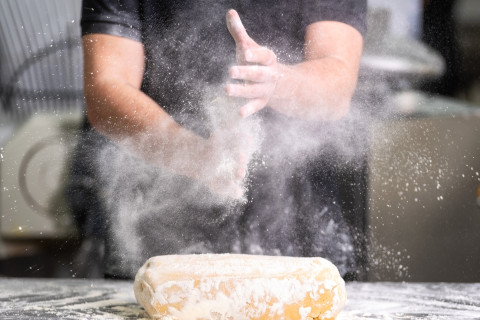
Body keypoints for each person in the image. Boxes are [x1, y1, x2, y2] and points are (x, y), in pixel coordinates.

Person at [67, 0, 367, 280]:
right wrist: (198, 157)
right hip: (151, 231)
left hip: (300, 232)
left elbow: (337, 86)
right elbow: (106, 89)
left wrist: (276, 82)